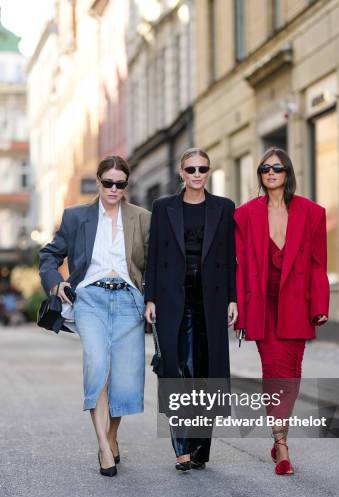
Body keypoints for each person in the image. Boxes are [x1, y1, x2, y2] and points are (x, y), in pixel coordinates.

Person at [39, 155, 150, 477]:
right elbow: (49, 255)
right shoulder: (76, 217)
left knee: (125, 378)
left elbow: (153, 263)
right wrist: (55, 282)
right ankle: (103, 445)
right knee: (98, 365)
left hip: (129, 300)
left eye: (121, 184)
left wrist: (152, 298)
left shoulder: (142, 218)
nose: (114, 189)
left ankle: (113, 435)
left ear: (127, 185)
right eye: (108, 183)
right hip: (90, 298)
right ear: (99, 181)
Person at [234, 147, 329, 475]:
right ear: (259, 175)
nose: (271, 173)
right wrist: (241, 308)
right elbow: (241, 265)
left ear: (287, 173)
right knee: (274, 369)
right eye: (264, 168)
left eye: (277, 168)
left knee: (291, 373)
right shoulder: (245, 215)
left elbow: (318, 265)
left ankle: (279, 437)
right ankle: (282, 444)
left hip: (296, 305)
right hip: (262, 304)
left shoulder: (312, 213)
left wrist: (319, 305)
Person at [144, 148, 237, 471]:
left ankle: (200, 447)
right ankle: (182, 444)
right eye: (191, 169)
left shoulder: (224, 208)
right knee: (178, 367)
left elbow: (229, 260)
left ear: (209, 172)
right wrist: (151, 298)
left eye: (203, 169)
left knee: (206, 371)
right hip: (174, 297)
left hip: (210, 298)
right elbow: (153, 256)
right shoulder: (163, 207)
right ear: (181, 174)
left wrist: (233, 299)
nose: (197, 174)